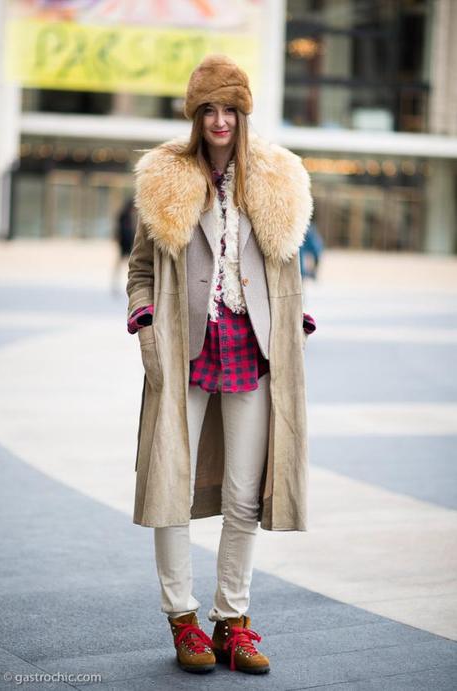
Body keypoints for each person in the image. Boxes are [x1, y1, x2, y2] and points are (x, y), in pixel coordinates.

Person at [126, 54, 316, 675]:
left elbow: (287, 269)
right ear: (194, 116)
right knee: (171, 488)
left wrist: (298, 321)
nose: (219, 120)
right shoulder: (165, 177)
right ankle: (182, 620)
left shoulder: (278, 179)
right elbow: (141, 272)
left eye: (229, 108)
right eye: (208, 109)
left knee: (242, 494)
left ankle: (232, 621)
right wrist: (146, 324)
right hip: (183, 353)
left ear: (243, 113)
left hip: (254, 353)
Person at [112, 197, 136, 295]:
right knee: (128, 266)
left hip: (127, 244)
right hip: (125, 244)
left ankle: (125, 284)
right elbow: (121, 231)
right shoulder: (124, 216)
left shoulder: (128, 216)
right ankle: (117, 285)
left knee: (130, 267)